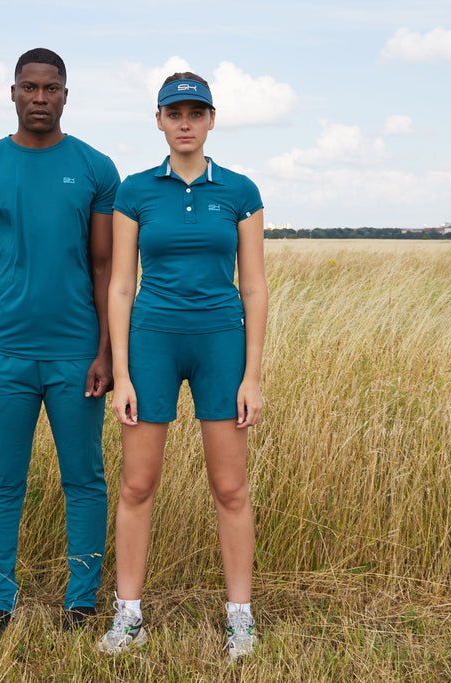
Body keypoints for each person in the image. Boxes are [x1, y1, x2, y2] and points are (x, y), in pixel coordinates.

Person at [97, 72, 268, 663]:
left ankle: (240, 619)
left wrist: (252, 375)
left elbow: (255, 287)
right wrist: (122, 374)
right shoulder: (136, 190)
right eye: (176, 113)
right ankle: (129, 616)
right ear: (161, 121)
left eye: (197, 112)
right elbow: (121, 287)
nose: (186, 122)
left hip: (222, 341)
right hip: (152, 343)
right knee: (137, 484)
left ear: (212, 119)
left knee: (230, 487)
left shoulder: (240, 191)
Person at [0, 47, 120, 644]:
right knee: (2, 480)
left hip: (79, 354)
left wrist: (107, 350)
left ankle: (81, 606)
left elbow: (106, 265)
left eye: (52, 88)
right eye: (30, 87)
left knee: (85, 478)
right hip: (4, 354)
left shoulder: (97, 168)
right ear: (14, 93)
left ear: (66, 95)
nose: (40, 98)